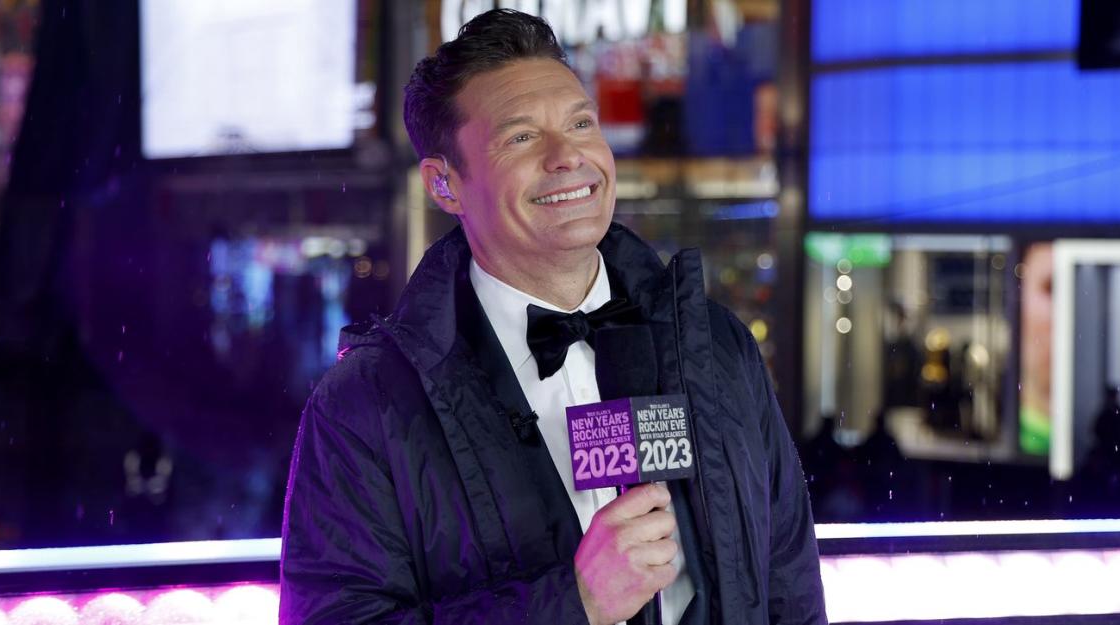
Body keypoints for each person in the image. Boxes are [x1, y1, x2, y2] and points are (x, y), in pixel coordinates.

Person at [279, 9, 826, 624]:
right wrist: (575, 604)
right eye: (521, 137)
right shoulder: (366, 404)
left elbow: (789, 586)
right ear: (444, 184)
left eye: (581, 123)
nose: (568, 156)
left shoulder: (718, 344)